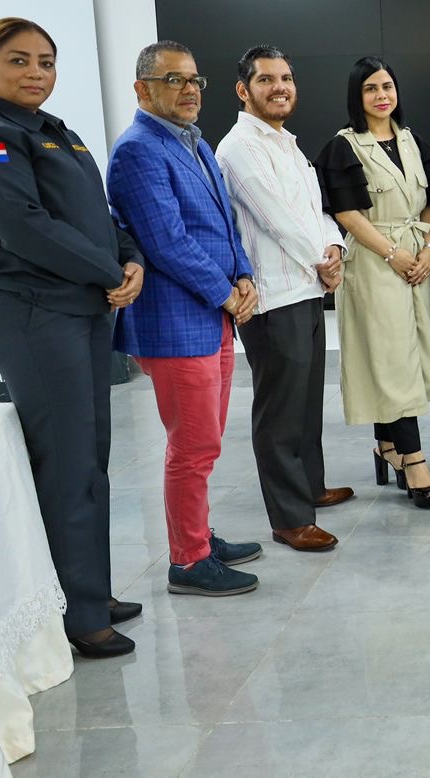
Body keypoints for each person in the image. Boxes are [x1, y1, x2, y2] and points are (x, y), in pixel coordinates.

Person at [0, 18, 145, 658]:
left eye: (47, 62)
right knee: (65, 461)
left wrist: (130, 258)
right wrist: (112, 271)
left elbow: (99, 216)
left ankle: (91, 589)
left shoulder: (58, 133)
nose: (36, 72)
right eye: (20, 60)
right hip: (29, 311)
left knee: (90, 458)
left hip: (81, 308)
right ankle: (79, 617)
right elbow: (25, 228)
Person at [106, 41, 263, 598]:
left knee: (206, 439)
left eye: (196, 79)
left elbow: (225, 225)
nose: (190, 89)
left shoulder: (192, 141)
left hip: (212, 314)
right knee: (193, 443)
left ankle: (198, 534)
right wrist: (225, 293)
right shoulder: (138, 151)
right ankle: (189, 560)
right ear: (142, 89)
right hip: (176, 321)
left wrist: (244, 275)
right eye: (175, 80)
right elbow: (166, 242)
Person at [216, 45, 352, 552]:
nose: (280, 87)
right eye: (267, 79)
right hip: (272, 297)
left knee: (306, 400)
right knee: (279, 411)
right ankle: (289, 517)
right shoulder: (239, 148)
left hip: (306, 287)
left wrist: (334, 247)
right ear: (243, 89)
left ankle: (310, 487)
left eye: (287, 78)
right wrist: (324, 258)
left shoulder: (285, 143)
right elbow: (276, 218)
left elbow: (315, 211)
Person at [314, 57, 430, 510]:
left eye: (387, 85)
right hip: (374, 260)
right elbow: (347, 213)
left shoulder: (414, 142)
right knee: (391, 360)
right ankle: (414, 459)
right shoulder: (344, 146)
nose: (381, 95)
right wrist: (392, 254)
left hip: (415, 256)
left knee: (408, 355)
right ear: (358, 96)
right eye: (370, 88)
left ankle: (386, 446)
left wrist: (427, 250)